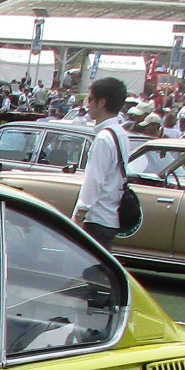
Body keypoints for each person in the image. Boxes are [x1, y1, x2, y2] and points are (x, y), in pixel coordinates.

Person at [73, 75, 132, 247]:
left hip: (96, 219)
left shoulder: (104, 138)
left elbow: (94, 182)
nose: (87, 104)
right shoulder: (120, 133)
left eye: (90, 99)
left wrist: (78, 217)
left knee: (89, 271)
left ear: (102, 102)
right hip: (109, 217)